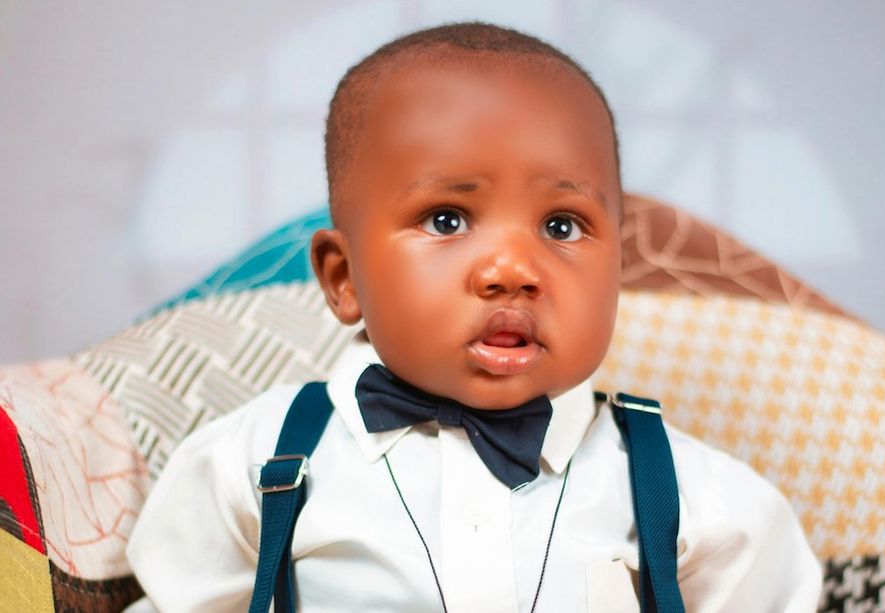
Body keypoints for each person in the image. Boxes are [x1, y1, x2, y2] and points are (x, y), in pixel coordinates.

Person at [126, 22, 822, 612]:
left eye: (562, 224)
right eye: (447, 218)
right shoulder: (254, 463)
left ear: (619, 268)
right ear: (345, 279)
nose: (512, 268)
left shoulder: (696, 498)